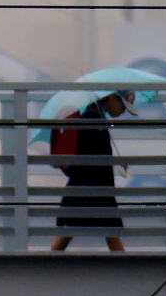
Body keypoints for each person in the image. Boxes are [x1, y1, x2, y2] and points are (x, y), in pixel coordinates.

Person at [50, 91, 137, 252]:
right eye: (123, 106)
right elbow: (94, 156)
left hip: (83, 186)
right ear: (112, 98)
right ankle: (127, 272)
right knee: (109, 233)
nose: (123, 111)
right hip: (93, 187)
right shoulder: (94, 119)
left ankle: (42, 270)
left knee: (68, 231)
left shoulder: (92, 117)